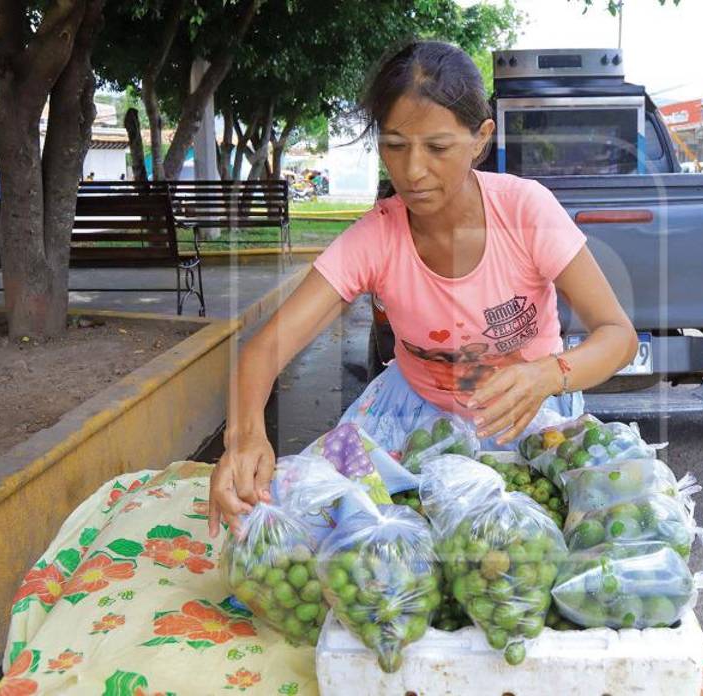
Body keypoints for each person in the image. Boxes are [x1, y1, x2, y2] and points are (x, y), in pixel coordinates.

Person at [208, 41, 638, 535]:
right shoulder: (375, 238)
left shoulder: (526, 212)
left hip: (526, 418)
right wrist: (243, 438)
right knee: (322, 534)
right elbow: (263, 351)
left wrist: (546, 375)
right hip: (409, 420)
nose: (412, 172)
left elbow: (617, 336)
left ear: (480, 138)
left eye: (437, 148)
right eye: (394, 144)